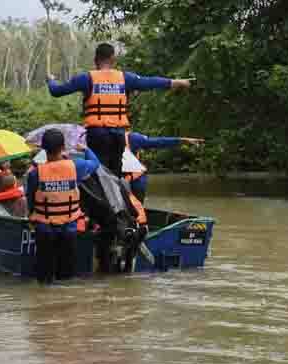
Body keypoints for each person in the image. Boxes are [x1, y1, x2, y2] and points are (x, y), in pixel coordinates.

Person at [46, 43, 193, 177]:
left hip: (97, 134)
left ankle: (102, 203)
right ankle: (117, 202)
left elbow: (57, 91)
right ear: (113, 59)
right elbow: (149, 82)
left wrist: (50, 80)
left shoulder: (86, 78)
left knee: (99, 172)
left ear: (96, 60)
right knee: (115, 174)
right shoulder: (125, 78)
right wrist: (176, 82)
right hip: (118, 134)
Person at [26, 129, 101, 283]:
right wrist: (86, 149)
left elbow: (31, 200)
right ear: (63, 147)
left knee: (45, 278)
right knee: (66, 278)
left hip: (44, 229)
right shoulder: (76, 166)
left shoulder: (35, 173)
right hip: (69, 228)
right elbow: (95, 163)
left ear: (43, 149)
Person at [124, 132, 204, 202]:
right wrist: (183, 140)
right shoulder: (132, 137)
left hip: (119, 185)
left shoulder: (131, 138)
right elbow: (159, 142)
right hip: (135, 184)